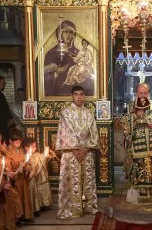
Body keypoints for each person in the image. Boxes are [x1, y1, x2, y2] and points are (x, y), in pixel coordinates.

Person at [56, 85, 99, 219]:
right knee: (70, 182)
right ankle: (70, 208)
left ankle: (88, 206)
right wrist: (75, 149)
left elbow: (94, 133)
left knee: (87, 180)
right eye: (76, 94)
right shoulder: (65, 112)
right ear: (72, 96)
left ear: (84, 96)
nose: (79, 97)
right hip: (71, 154)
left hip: (86, 152)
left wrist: (86, 149)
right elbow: (65, 132)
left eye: (81, 94)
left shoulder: (89, 113)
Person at [123, 96, 152, 204]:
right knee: (138, 172)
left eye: (145, 92)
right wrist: (135, 118)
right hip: (137, 148)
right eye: (140, 92)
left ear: (148, 93)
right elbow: (124, 125)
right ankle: (137, 198)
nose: (142, 111)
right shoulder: (130, 107)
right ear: (137, 92)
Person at [24, 138, 53, 213]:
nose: (35, 148)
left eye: (35, 146)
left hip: (40, 177)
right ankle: (33, 208)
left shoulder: (37, 155)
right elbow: (27, 167)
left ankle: (42, 204)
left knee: (41, 189)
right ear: (26, 148)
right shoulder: (25, 157)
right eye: (33, 146)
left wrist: (47, 155)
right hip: (32, 178)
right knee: (33, 192)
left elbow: (43, 157)